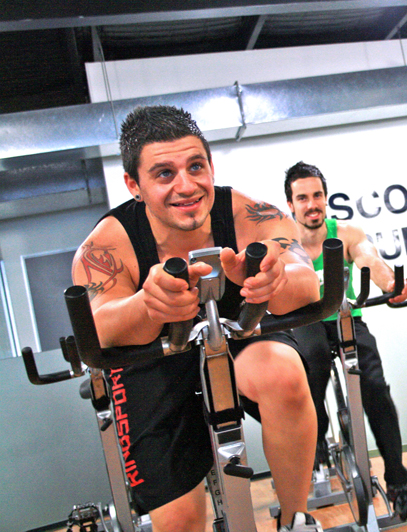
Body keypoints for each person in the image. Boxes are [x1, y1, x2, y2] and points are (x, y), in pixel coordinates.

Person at [72, 105, 324, 532]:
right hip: (149, 362)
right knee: (180, 522)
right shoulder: (106, 245)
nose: (186, 186)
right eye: (164, 174)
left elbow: (308, 284)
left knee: (282, 373)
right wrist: (145, 306)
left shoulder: (248, 213)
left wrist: (274, 281)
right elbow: (96, 329)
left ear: (210, 166)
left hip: (232, 339)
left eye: (195, 166)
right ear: (134, 184)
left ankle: (294, 520)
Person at [283, 161, 407, 519]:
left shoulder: (346, 234)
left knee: (375, 388)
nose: (312, 204)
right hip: (305, 322)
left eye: (317, 195)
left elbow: (369, 259)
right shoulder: (284, 243)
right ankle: (316, 448)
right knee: (308, 369)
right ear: (291, 205)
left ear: (325, 198)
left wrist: (390, 285)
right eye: (302, 198)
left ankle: (398, 482)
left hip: (347, 319)